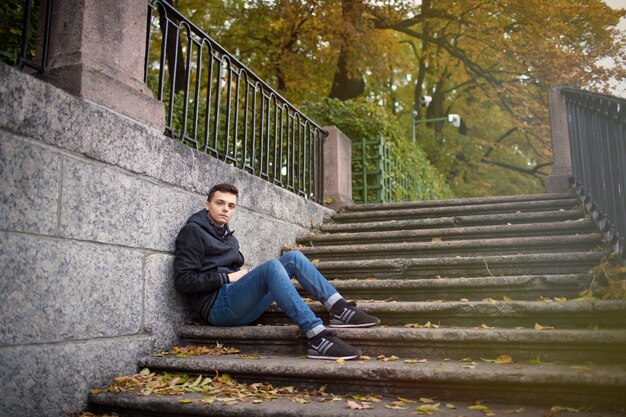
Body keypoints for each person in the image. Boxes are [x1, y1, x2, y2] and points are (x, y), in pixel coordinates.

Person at [174, 183, 380, 360]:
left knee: (293, 257)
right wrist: (228, 277)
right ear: (207, 204)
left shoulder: (227, 236)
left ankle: (339, 308)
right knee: (272, 267)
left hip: (236, 301)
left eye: (231, 206)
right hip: (217, 308)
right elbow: (184, 281)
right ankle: (317, 338)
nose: (225, 209)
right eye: (220, 203)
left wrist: (241, 278)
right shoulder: (193, 231)